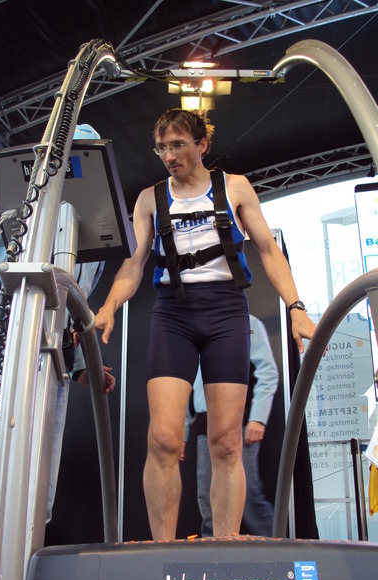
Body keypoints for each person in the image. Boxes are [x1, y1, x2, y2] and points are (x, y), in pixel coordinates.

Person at [95, 108, 316, 540]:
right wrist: (108, 306)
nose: (168, 155)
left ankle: (225, 547)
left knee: (226, 442)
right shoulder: (149, 199)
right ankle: (162, 554)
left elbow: (269, 251)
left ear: (201, 145)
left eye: (177, 145)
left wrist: (296, 306)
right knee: (163, 438)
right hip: (173, 313)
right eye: (162, 148)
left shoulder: (235, 188)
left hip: (226, 311)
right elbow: (134, 265)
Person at [0, 124, 115, 580]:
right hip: (5, 345)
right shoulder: (24, 190)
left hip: (56, 360)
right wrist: (23, 214)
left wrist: (83, 364)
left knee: (40, 484)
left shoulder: (91, 225)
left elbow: (74, 302)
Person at [184, 314, 279, 537]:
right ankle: (213, 551)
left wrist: (258, 417)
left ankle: (277, 550)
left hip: (237, 421)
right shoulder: (190, 326)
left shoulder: (248, 322)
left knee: (248, 500)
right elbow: (189, 383)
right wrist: (183, 430)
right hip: (204, 423)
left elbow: (267, 372)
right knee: (207, 499)